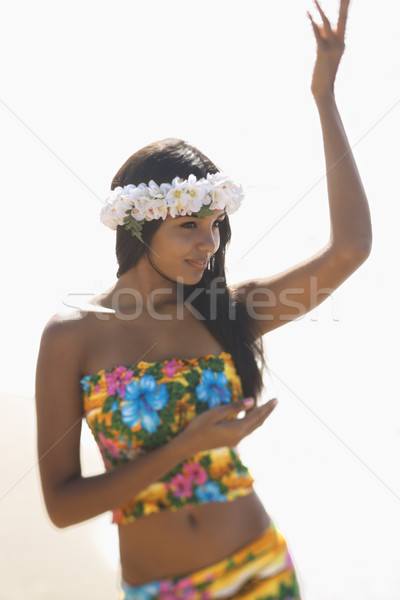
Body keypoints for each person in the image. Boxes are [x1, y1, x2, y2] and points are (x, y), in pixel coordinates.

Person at [35, 1, 372, 598]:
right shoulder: (72, 336)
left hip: (262, 568)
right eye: (189, 226)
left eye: (215, 225)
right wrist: (191, 444)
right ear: (140, 227)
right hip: (163, 588)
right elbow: (62, 504)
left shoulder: (227, 311)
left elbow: (348, 250)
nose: (209, 243)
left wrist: (324, 97)